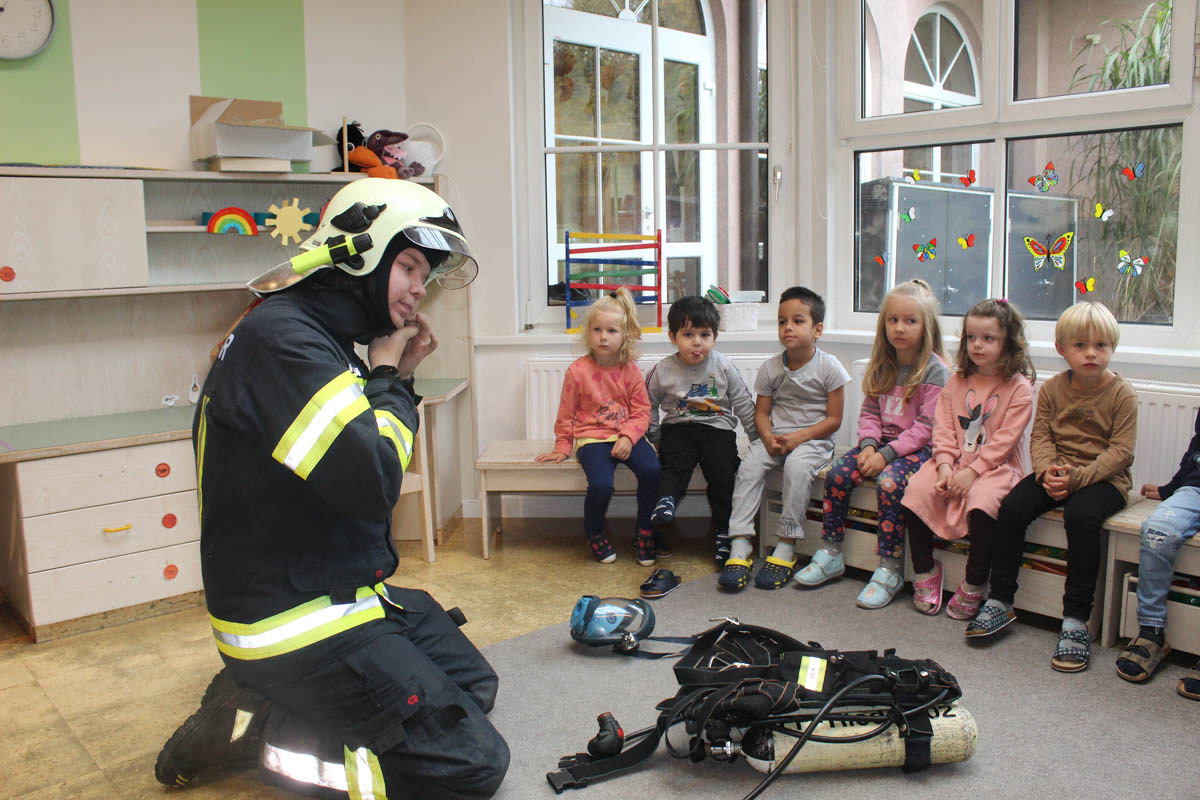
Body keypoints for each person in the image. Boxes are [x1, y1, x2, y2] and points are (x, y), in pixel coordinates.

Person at [154, 178, 510, 799]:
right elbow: (373, 484)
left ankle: (273, 702)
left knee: (474, 688)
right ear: (360, 256)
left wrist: (391, 376)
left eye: (425, 275)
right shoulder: (283, 342)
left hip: (338, 588)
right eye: (408, 266)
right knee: (470, 764)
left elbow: (355, 460)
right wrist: (390, 378)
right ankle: (259, 733)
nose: (419, 289)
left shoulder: (322, 338)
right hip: (287, 620)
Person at [969, 302, 1136, 674]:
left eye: (1101, 345)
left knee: (1080, 516)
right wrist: (1046, 471)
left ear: (1112, 347)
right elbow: (1041, 436)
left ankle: (1076, 620)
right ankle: (1000, 599)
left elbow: (1121, 452)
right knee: (1012, 507)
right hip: (1056, 471)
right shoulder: (1052, 389)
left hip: (1105, 479)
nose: (1091, 353)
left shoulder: (1122, 393)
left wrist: (1078, 478)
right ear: (1062, 349)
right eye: (1080, 345)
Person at [795, 279, 948, 608]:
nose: (900, 328)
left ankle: (889, 568)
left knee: (890, 482)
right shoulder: (883, 362)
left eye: (910, 321)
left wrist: (886, 455)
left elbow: (926, 428)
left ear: (927, 326)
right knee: (838, 473)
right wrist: (867, 446)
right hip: (879, 445)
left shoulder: (935, 370)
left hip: (919, 450)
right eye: (893, 320)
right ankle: (831, 552)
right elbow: (870, 413)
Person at [901, 298, 1034, 621]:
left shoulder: (1020, 388)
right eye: (971, 337)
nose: (977, 345)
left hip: (996, 468)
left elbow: (1004, 442)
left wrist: (972, 473)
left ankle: (975, 582)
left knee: (983, 503)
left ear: (1008, 342)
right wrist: (945, 465)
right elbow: (943, 428)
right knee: (917, 490)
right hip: (953, 461)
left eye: (988, 338)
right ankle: (924, 570)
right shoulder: (957, 380)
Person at [718, 286, 851, 591]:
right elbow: (762, 413)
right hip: (776, 438)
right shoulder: (771, 368)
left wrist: (798, 438)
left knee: (796, 469)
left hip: (814, 440)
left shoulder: (830, 367)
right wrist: (767, 438)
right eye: (782, 321)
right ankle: (740, 543)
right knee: (749, 467)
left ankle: (786, 545)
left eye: (797, 321)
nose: (788, 327)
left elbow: (834, 420)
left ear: (817, 329)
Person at [536, 288, 661, 565]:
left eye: (611, 331)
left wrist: (628, 437)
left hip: (628, 436)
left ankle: (645, 532)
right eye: (597, 330)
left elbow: (642, 413)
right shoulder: (577, 371)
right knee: (602, 485)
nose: (603, 337)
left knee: (652, 470)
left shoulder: (631, 371)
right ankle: (594, 531)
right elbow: (566, 413)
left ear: (625, 335)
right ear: (588, 333)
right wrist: (562, 447)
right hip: (591, 439)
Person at [644, 295, 757, 565]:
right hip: (678, 428)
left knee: (722, 472)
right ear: (672, 337)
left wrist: (757, 439)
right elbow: (648, 404)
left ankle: (723, 532)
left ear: (714, 337)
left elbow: (743, 402)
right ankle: (666, 501)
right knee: (673, 465)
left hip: (717, 428)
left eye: (704, 335)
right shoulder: (662, 370)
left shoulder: (723, 365)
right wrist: (655, 435)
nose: (697, 342)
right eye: (688, 334)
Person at [1116, 406, 1200, 699]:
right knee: (1156, 531)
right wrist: (1170, 489)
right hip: (1194, 491)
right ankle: (1152, 632)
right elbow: (1195, 452)